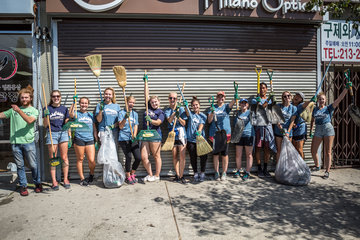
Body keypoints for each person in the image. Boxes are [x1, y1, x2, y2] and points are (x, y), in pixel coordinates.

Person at [0, 86, 41, 196]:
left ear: (30, 98)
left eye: (26, 97)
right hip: (15, 143)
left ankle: (37, 183)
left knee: (33, 165)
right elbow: (2, 115)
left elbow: (29, 121)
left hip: (28, 142)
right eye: (22, 98)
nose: (24, 99)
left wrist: (18, 110)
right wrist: (15, 110)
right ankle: (23, 186)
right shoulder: (13, 111)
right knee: (20, 166)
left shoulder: (34, 111)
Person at [310, 84, 350, 179]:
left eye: (323, 99)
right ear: (318, 100)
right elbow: (312, 120)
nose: (321, 100)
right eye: (320, 99)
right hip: (318, 129)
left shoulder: (329, 108)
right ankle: (317, 166)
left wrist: (346, 89)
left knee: (328, 152)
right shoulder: (314, 109)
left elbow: (339, 99)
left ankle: (327, 171)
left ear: (325, 100)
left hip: (328, 129)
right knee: (313, 150)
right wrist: (311, 130)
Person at [43, 90, 70, 190]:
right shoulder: (47, 108)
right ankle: (54, 181)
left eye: (58, 96)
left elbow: (67, 123)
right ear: (51, 97)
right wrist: (46, 116)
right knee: (53, 158)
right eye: (54, 96)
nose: (56, 98)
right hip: (52, 133)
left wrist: (69, 135)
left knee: (64, 157)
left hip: (63, 133)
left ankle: (66, 179)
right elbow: (45, 125)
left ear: (60, 97)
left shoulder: (64, 109)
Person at [69, 97, 98, 186]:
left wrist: (96, 139)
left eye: (85, 103)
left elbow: (94, 128)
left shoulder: (90, 115)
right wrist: (73, 103)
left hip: (90, 139)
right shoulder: (76, 114)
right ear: (79, 104)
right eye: (82, 103)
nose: (84, 105)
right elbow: (70, 114)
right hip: (79, 139)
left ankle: (91, 174)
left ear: (88, 104)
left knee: (92, 160)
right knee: (80, 159)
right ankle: (82, 179)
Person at [207, 91, 235, 181]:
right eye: (219, 97)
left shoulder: (226, 107)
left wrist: (235, 97)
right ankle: (216, 172)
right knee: (215, 154)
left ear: (224, 98)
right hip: (215, 134)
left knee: (224, 154)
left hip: (225, 134)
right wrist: (211, 112)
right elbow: (209, 121)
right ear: (216, 98)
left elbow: (232, 104)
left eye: (222, 97)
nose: (220, 98)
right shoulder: (212, 107)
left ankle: (224, 173)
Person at [251, 82, 277, 178]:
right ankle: (259, 169)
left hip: (268, 126)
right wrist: (260, 102)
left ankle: (266, 168)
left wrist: (272, 99)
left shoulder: (270, 100)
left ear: (266, 89)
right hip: (259, 127)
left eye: (264, 88)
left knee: (267, 148)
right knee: (258, 148)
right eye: (261, 88)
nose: (262, 89)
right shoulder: (255, 100)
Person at [164, 92, 187, 184]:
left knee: (182, 156)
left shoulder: (181, 109)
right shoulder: (167, 110)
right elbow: (169, 120)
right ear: (168, 99)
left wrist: (179, 117)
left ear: (177, 99)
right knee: (174, 156)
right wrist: (174, 113)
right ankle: (177, 175)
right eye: (170, 98)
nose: (172, 100)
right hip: (172, 134)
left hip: (181, 134)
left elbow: (184, 123)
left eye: (174, 98)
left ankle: (182, 175)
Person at [118, 96, 141, 185]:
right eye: (130, 102)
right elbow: (120, 126)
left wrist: (134, 135)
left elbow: (136, 125)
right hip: (123, 138)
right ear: (126, 102)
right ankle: (127, 176)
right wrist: (125, 117)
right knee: (129, 157)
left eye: (133, 103)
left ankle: (132, 173)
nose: (131, 104)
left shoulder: (135, 114)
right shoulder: (121, 113)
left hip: (132, 138)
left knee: (138, 157)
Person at [141, 95, 165, 182]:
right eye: (152, 102)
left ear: (159, 102)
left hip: (155, 135)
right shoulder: (148, 108)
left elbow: (158, 122)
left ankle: (157, 175)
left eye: (155, 102)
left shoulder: (160, 112)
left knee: (156, 156)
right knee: (144, 156)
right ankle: (150, 174)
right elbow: (146, 94)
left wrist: (150, 120)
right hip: (145, 134)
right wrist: (145, 82)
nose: (154, 103)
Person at [184, 96, 207, 182]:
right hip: (191, 140)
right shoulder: (190, 114)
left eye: (196, 105)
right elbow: (187, 113)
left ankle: (202, 172)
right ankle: (195, 173)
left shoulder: (203, 115)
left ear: (199, 105)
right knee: (193, 157)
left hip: (200, 140)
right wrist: (185, 106)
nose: (195, 107)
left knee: (203, 157)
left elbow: (201, 124)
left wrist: (199, 131)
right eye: (193, 105)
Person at [234, 98, 255, 181]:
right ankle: (238, 170)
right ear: (239, 105)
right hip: (239, 136)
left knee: (249, 154)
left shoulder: (250, 113)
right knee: (238, 155)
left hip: (249, 135)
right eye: (242, 103)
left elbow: (256, 107)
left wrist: (255, 101)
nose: (243, 104)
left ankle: (247, 172)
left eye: (245, 103)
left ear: (247, 105)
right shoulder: (237, 113)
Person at [273, 91, 297, 163]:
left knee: (288, 150)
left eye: (288, 96)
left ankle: (288, 169)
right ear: (282, 98)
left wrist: (288, 132)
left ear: (291, 96)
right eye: (285, 96)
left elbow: (292, 121)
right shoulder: (279, 106)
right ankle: (279, 168)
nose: (287, 97)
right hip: (279, 131)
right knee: (279, 150)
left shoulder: (293, 108)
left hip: (288, 132)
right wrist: (280, 128)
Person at [287, 92, 311, 159]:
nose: (296, 97)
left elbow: (305, 104)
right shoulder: (290, 105)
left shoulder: (301, 105)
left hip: (300, 129)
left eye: (299, 96)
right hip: (292, 129)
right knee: (294, 148)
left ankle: (303, 165)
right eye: (296, 95)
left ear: (301, 99)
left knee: (299, 148)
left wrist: (311, 100)